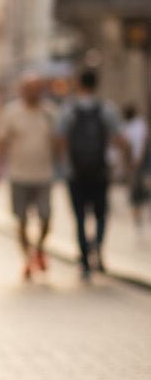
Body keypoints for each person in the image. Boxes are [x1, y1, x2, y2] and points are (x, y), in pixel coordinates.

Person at [56, 67, 126, 279]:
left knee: (79, 217)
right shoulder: (107, 109)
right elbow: (119, 138)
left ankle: (84, 259)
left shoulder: (68, 109)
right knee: (101, 215)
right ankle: (98, 251)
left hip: (75, 172)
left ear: (79, 83)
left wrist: (63, 164)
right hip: (100, 171)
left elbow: (60, 139)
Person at [0, 75, 57, 281]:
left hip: (44, 174)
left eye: (37, 89)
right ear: (22, 91)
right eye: (29, 89)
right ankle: (27, 259)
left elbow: (59, 140)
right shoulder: (11, 112)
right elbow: (1, 141)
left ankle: (39, 248)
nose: (33, 93)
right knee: (21, 219)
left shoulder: (50, 112)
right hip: (18, 174)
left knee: (46, 216)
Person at [121, 104, 149, 230]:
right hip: (141, 163)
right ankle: (138, 214)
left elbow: (135, 145)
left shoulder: (131, 127)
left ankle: (137, 214)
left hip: (138, 163)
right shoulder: (140, 124)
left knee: (137, 191)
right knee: (140, 190)